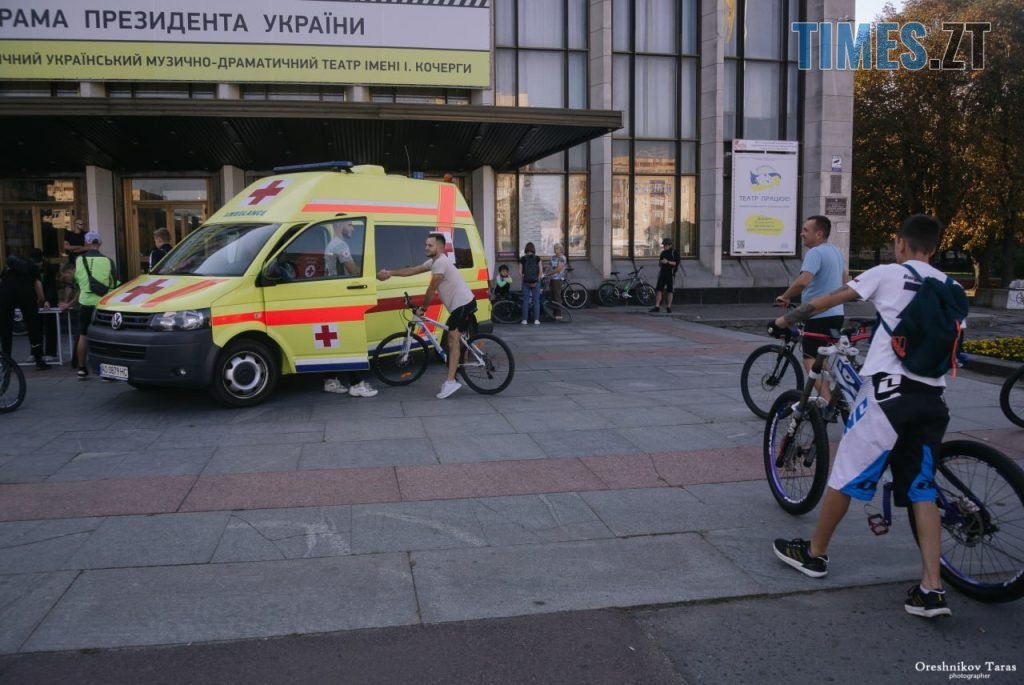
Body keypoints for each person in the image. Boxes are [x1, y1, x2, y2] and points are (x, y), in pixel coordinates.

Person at [771, 214, 958, 619]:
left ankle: (815, 554)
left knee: (845, 474)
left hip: (887, 397)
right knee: (922, 488)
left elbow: (826, 300)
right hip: (933, 398)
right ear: (934, 247)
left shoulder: (887, 273)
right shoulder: (952, 287)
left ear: (901, 243)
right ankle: (931, 589)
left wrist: (785, 319)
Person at [377, 232, 476, 399]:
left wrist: (423, 309)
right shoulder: (434, 261)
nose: (426, 247)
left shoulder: (441, 263)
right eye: (426, 244)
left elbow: (432, 289)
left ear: (440, 247)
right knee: (456, 340)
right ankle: (459, 374)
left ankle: (451, 382)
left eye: (430, 245)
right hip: (460, 305)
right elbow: (412, 270)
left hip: (462, 305)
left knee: (452, 341)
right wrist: (390, 273)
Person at [775, 216, 848, 387]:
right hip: (837, 314)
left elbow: (803, 281)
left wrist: (785, 296)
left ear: (819, 234)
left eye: (806, 230)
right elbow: (844, 281)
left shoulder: (815, 253)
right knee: (821, 358)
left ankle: (826, 400)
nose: (802, 234)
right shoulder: (836, 251)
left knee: (810, 360)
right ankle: (837, 394)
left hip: (818, 315)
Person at [320, 219, 376, 397]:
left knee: (335, 343)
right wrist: (371, 276)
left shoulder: (330, 244)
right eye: (350, 224)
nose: (353, 228)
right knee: (349, 340)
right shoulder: (341, 244)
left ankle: (331, 380)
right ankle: (356, 384)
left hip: (331, 294)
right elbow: (352, 270)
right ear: (339, 225)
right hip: (342, 295)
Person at [74, 231, 117, 379]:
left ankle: (81, 369)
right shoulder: (108, 261)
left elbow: (77, 280)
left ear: (86, 243)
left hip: (85, 302)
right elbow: (114, 283)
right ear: (100, 243)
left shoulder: (79, 260)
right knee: (105, 337)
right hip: (102, 305)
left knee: (83, 335)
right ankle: (107, 372)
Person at [0, 252, 50, 370]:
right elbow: (38, 285)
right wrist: (41, 300)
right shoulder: (31, 267)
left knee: (5, 329)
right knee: (34, 328)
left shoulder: (7, 269)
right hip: (26, 295)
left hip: (6, 295)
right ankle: (39, 361)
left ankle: (7, 363)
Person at [29, 248, 60, 360]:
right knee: (35, 327)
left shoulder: (50, 268)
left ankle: (50, 352)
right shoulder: (28, 268)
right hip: (34, 300)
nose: (38, 265)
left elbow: (51, 286)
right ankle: (35, 352)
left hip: (48, 298)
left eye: (39, 262)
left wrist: (48, 300)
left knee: (50, 326)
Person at [649, 238, 679, 313]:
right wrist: (660, 262)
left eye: (666, 245)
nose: (664, 246)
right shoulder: (663, 253)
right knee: (659, 289)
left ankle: (669, 307)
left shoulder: (674, 252)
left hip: (670, 273)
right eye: (663, 245)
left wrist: (667, 262)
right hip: (662, 273)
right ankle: (657, 306)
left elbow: (676, 263)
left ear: (670, 245)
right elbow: (659, 264)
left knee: (670, 290)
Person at [519, 242, 542, 325]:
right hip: (536, 282)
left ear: (526, 249)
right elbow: (540, 270)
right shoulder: (537, 258)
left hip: (526, 282)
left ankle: (524, 320)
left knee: (525, 301)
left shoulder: (522, 259)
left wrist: (524, 280)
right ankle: (536, 320)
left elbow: (520, 271)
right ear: (533, 249)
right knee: (536, 301)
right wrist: (537, 280)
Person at [546, 243, 567, 321]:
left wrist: (550, 273)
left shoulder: (562, 258)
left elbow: (559, 269)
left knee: (557, 296)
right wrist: (545, 272)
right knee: (552, 296)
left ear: (561, 249)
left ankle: (559, 314)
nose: (555, 250)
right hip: (552, 278)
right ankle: (554, 313)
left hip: (558, 279)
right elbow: (549, 266)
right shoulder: (553, 257)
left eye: (557, 248)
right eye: (555, 248)